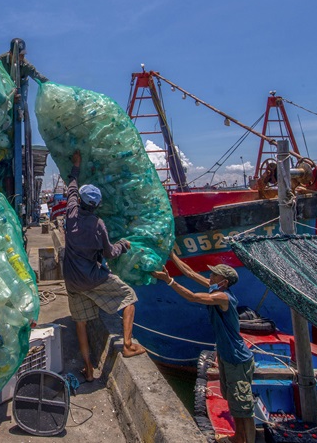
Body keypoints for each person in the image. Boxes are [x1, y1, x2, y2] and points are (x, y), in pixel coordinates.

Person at [151, 253, 256, 443]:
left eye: (214, 275)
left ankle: (245, 439)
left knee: (243, 406)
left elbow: (192, 297)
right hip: (226, 355)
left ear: (223, 282)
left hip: (236, 358)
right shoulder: (216, 289)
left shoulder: (222, 297)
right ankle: (238, 437)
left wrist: (169, 281)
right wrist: (172, 254)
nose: (210, 277)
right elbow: (190, 273)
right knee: (233, 401)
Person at [63, 150, 146, 383]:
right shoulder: (98, 225)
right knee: (129, 297)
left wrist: (76, 165)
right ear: (97, 205)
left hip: (71, 279)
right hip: (92, 278)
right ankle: (128, 345)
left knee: (80, 322)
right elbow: (110, 252)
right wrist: (123, 245)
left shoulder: (70, 214)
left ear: (79, 201)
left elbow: (71, 185)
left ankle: (88, 369)